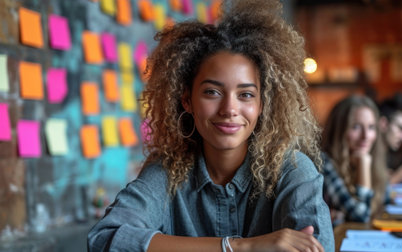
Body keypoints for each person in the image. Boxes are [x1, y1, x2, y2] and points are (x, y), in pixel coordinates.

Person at [87, 0, 334, 251]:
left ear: (263, 105)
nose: (229, 109)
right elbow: (105, 239)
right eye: (212, 92)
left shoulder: (292, 171)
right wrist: (237, 247)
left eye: (246, 95)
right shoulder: (167, 172)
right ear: (187, 100)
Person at [321, 95, 387, 226]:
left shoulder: (373, 156)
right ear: (339, 130)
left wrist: (343, 216)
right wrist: (364, 164)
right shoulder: (324, 161)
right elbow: (361, 215)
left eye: (371, 127)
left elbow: (386, 195)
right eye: (356, 127)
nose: (366, 136)